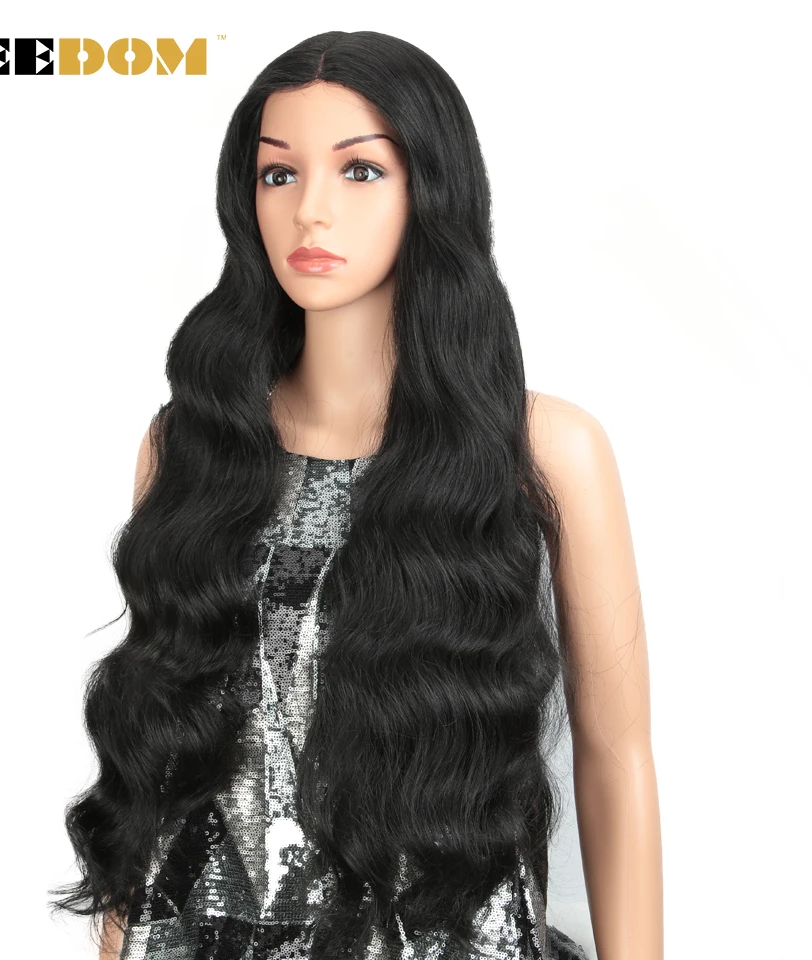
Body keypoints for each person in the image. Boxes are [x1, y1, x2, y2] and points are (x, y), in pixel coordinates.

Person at [50, 30, 663, 960]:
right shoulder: (192, 448)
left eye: (360, 171)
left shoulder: (544, 450)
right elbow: (157, 760)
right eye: (279, 174)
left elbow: (617, 756)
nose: (311, 211)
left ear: (432, 190)